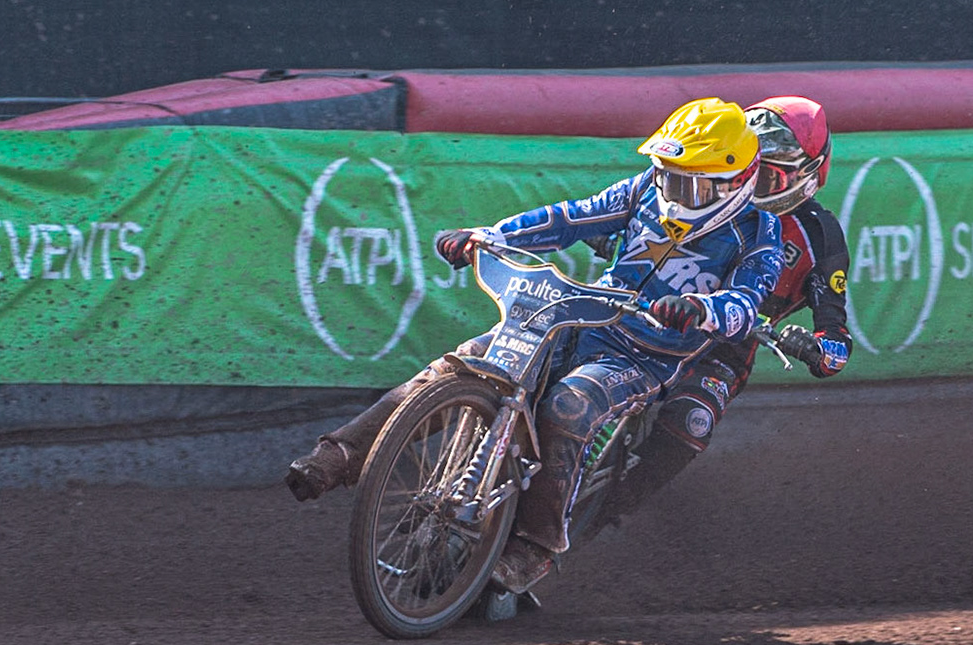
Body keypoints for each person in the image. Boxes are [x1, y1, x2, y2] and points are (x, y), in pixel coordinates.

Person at [285, 97, 783, 594]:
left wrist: (703, 309)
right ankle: (341, 455)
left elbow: (747, 300)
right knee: (459, 366)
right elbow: (568, 218)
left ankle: (536, 547)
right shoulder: (642, 193)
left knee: (569, 407)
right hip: (573, 318)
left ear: (734, 182)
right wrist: (488, 236)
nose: (670, 191)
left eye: (687, 182)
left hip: (644, 356)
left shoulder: (759, 233)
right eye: (664, 174)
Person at [580, 96, 848, 528]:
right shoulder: (696, 190)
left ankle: (605, 515)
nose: (746, 186)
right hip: (646, 310)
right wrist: (613, 237)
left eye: (767, 178)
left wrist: (818, 347)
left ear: (808, 177)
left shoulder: (819, 236)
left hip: (722, 348)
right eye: (743, 170)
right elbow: (623, 215)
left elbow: (836, 332)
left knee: (693, 420)